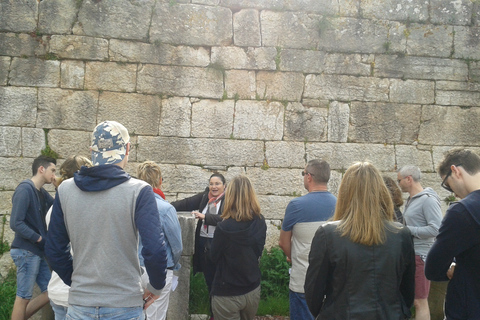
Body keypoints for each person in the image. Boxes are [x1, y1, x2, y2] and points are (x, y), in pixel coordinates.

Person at [45, 121, 167, 320]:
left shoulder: (65, 190)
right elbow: (154, 248)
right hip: (124, 303)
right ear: (127, 149)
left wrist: (78, 282)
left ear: (93, 150)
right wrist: (156, 286)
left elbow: (54, 249)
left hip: (79, 305)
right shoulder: (139, 191)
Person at [305, 162, 415, 319]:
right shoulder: (401, 234)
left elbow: (313, 292)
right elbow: (407, 292)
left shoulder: (328, 234)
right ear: (381, 191)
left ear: (345, 193)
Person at [425, 149, 480, 319]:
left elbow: (434, 267)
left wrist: (451, 267)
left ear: (455, 171)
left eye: (447, 185)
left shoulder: (463, 211)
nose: (454, 194)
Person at [278, 159, 337, 320]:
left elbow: (283, 242)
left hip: (303, 280)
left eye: (304, 174)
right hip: (333, 282)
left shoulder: (296, 205)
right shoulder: (339, 204)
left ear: (309, 177)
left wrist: (292, 256)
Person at [209, 175, 267, 320]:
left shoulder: (223, 227)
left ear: (230, 195)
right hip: (252, 287)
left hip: (227, 290)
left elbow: (213, 257)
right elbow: (258, 250)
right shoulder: (260, 221)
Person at [44, 155, 92, 320]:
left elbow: (55, 251)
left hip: (58, 288)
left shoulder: (54, 209)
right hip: (78, 290)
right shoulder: (86, 208)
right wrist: (74, 280)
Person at [9, 155, 57, 320]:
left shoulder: (42, 193)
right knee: (23, 297)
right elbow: (16, 223)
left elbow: (58, 207)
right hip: (25, 251)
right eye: (52, 170)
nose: (54, 175)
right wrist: (38, 239)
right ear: (41, 169)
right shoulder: (25, 189)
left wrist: (60, 188)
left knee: (51, 291)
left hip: (36, 252)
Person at [171, 173, 226, 310]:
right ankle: (213, 312)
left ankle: (220, 313)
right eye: (211, 183)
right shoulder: (204, 197)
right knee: (209, 281)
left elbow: (226, 219)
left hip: (220, 245)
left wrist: (205, 217)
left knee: (219, 282)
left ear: (224, 186)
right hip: (204, 246)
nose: (214, 187)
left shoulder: (229, 200)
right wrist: (166, 206)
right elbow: (185, 203)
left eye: (217, 184)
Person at [136, 161, 183, 320]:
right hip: (160, 266)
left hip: (134, 267)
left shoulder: (131, 204)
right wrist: (173, 264)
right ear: (160, 181)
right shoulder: (166, 208)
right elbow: (177, 246)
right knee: (157, 315)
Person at [397, 165, 442, 320]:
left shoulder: (428, 200)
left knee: (419, 301)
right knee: (413, 300)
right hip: (412, 255)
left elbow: (436, 230)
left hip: (421, 257)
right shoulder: (411, 200)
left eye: (399, 180)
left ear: (408, 179)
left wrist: (407, 230)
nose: (398, 184)